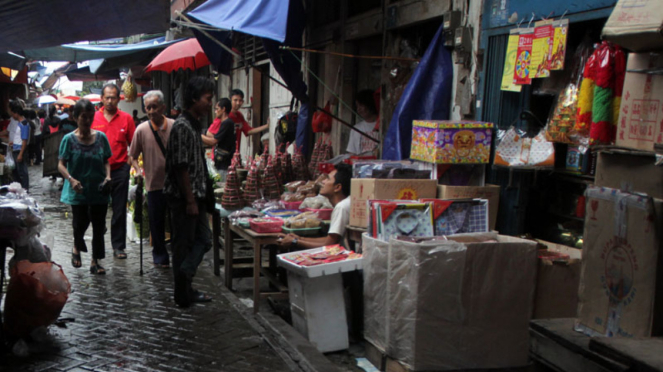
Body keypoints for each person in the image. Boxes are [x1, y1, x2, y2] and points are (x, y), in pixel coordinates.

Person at [164, 76, 214, 307]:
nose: (210, 104)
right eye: (207, 99)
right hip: (185, 199)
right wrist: (190, 200)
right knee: (183, 245)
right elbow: (180, 166)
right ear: (194, 99)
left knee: (204, 240)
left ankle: (185, 280)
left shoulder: (193, 126)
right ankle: (183, 293)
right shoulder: (183, 126)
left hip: (197, 196)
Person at [58, 99, 112, 275]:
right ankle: (76, 246)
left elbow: (106, 161)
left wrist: (108, 176)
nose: (87, 121)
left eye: (90, 117)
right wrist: (71, 179)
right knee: (79, 223)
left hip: (98, 189)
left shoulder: (101, 138)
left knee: (98, 225)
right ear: (75, 118)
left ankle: (95, 261)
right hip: (78, 190)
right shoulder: (69, 140)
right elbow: (61, 165)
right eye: (83, 117)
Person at [129, 90, 173, 268]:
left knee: (176, 221)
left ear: (163, 107)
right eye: (148, 108)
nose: (151, 111)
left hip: (174, 184)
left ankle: (178, 253)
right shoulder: (141, 130)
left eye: (155, 107)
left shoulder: (174, 126)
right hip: (154, 185)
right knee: (157, 223)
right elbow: (132, 156)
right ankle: (160, 256)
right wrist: (138, 170)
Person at [91, 83, 136, 259]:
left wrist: (131, 164)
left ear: (119, 99)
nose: (110, 101)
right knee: (97, 209)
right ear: (102, 98)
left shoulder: (126, 119)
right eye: (107, 97)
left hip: (119, 170)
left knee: (119, 209)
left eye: (113, 97)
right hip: (97, 171)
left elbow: (134, 144)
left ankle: (118, 246)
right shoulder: (94, 118)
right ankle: (98, 244)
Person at [277, 163, 352, 250]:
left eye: (327, 179)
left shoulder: (342, 207)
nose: (323, 181)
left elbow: (329, 244)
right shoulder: (345, 203)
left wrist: (295, 242)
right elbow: (329, 239)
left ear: (337, 187)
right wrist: (299, 238)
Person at [201, 98, 235, 170]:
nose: (215, 111)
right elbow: (216, 137)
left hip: (224, 162)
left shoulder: (227, 123)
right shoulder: (225, 123)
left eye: (217, 109)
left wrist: (198, 135)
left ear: (223, 109)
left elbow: (213, 141)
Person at [346, 89, 379, 155]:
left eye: (361, 105)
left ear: (370, 104)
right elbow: (352, 153)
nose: (358, 109)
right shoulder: (356, 129)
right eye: (357, 106)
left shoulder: (383, 126)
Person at [7, 99, 30, 191]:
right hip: (16, 148)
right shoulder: (20, 123)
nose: (12, 115)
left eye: (13, 113)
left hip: (20, 150)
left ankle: (25, 189)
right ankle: (20, 188)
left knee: (22, 172)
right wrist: (14, 142)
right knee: (17, 171)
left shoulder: (24, 124)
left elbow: (24, 140)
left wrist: (21, 154)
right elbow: (20, 138)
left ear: (16, 113)